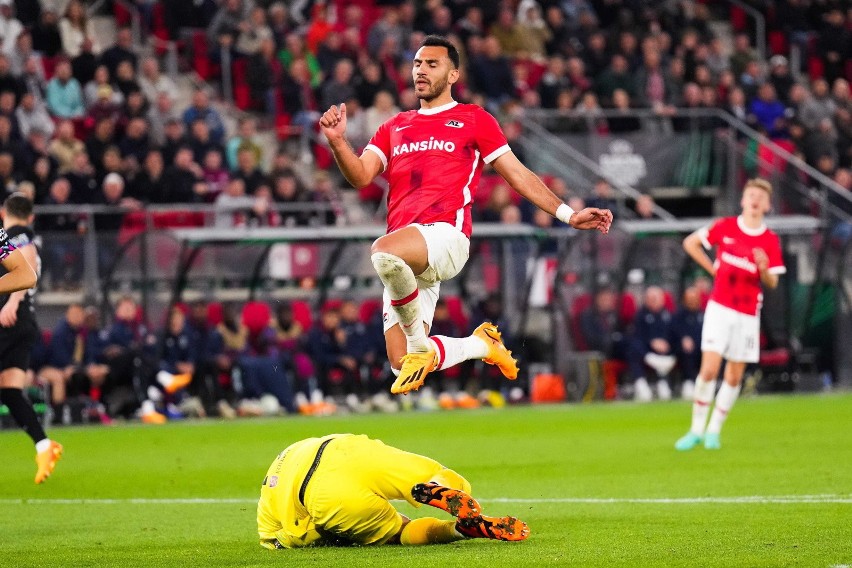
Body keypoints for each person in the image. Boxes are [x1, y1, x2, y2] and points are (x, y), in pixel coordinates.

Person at [319, 35, 613, 395]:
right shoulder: (394, 126)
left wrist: (568, 214)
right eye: (416, 64)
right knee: (400, 364)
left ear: (453, 73)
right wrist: (337, 142)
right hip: (411, 250)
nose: (421, 71)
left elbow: (518, 174)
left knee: (384, 253)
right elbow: (361, 175)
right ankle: (481, 345)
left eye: (432, 64)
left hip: (445, 236)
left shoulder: (473, 119)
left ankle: (420, 347)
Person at [257, 433, 529, 549]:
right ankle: (437, 486)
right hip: (345, 447)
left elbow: (274, 540)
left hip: (325, 493)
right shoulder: (285, 457)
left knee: (399, 532)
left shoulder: (268, 518)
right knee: (432, 473)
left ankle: (457, 531)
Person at [675, 178, 785, 451]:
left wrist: (762, 269)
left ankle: (714, 431)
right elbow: (690, 243)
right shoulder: (725, 226)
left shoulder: (769, 240)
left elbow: (772, 283)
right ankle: (696, 429)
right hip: (720, 308)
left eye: (761, 196)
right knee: (710, 370)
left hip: (748, 313)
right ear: (743, 200)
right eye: (751, 194)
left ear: (768, 205)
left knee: (734, 376)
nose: (755, 199)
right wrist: (713, 268)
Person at [0, 193, 61, 483]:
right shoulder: (20, 234)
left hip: (12, 319)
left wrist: (12, 302)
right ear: (32, 216)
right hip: (24, 322)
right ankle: (44, 444)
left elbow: (27, 266)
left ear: (4, 212)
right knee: (10, 391)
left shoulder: (17, 235)